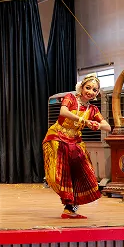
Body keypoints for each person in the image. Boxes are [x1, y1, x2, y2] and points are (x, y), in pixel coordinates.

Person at [42, 74, 111, 218]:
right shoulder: (71, 98)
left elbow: (108, 127)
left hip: (74, 141)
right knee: (61, 173)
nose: (90, 92)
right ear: (81, 87)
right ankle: (59, 193)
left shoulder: (93, 110)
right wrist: (85, 122)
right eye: (88, 88)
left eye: (94, 90)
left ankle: (70, 209)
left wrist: (97, 125)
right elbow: (63, 112)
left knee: (82, 173)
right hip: (58, 137)